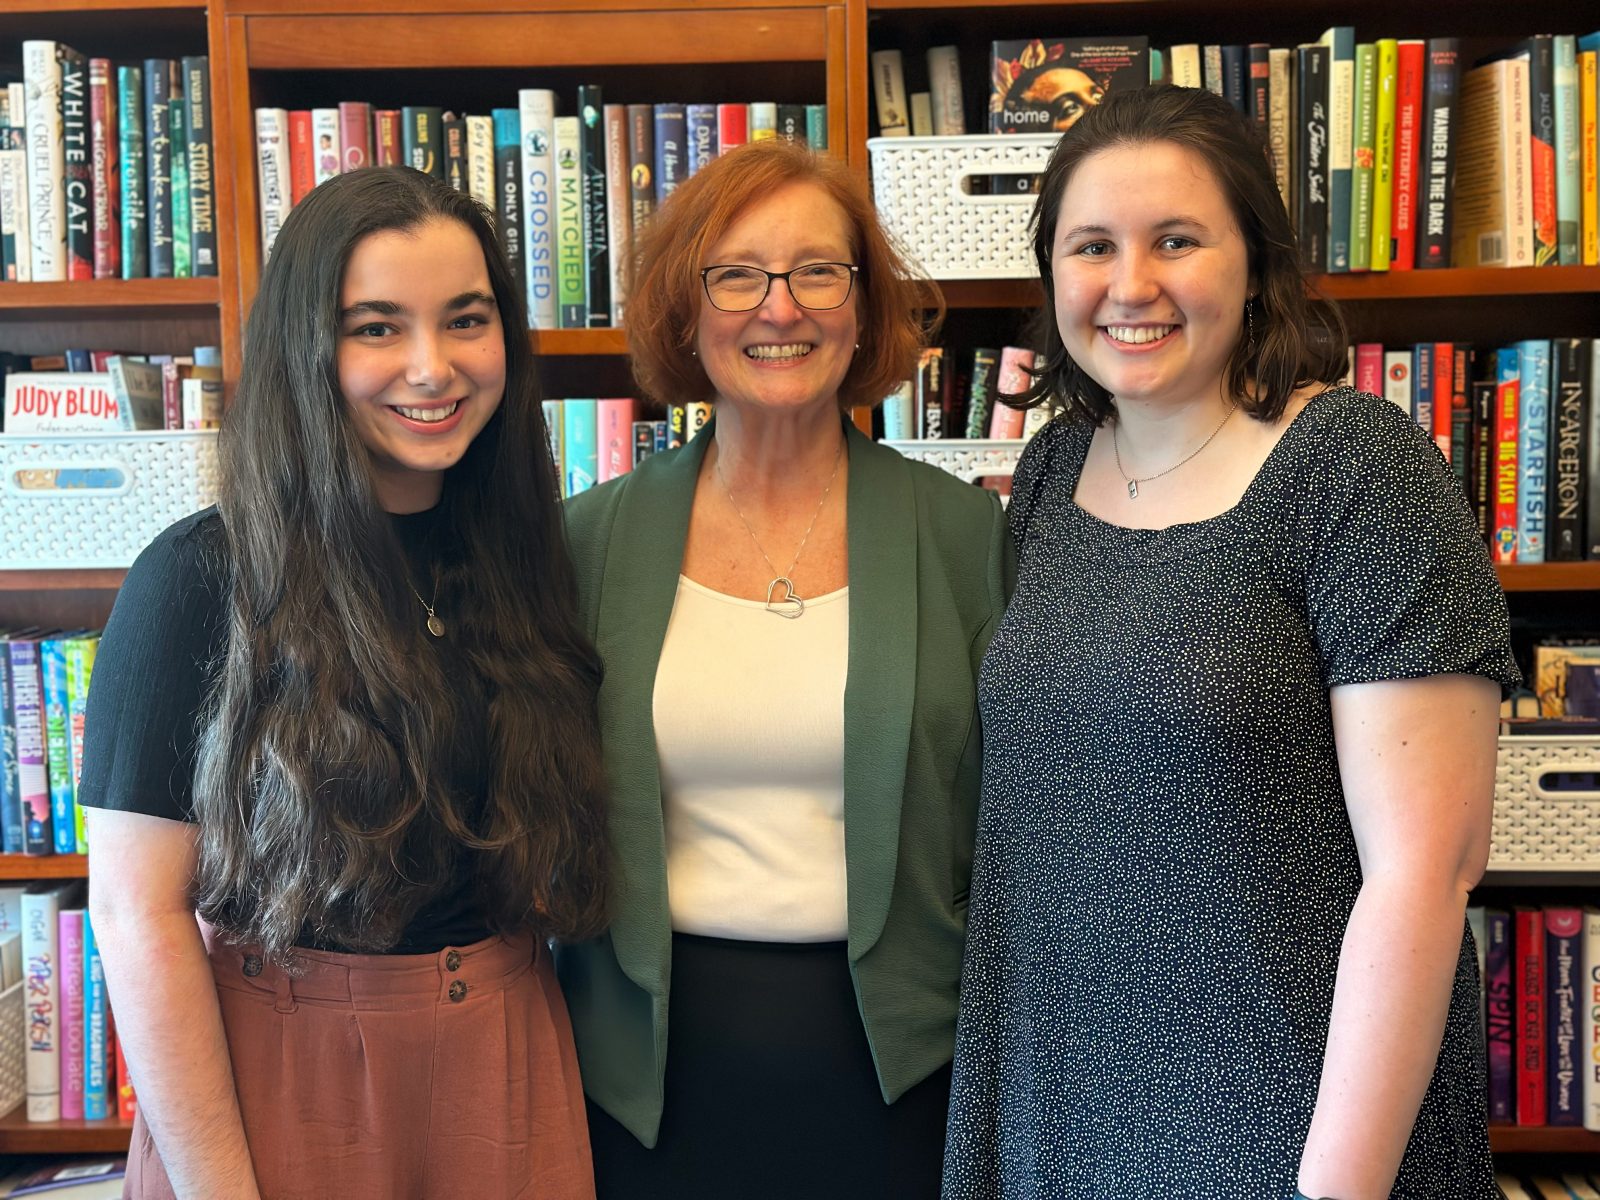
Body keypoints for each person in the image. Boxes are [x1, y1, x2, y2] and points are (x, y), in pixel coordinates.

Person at [942, 86, 1517, 1200]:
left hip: (1292, 1127)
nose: (1130, 285)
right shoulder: (1055, 472)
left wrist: (1332, 1190)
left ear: (1253, 262)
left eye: (1176, 241)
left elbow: (1424, 873)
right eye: (1091, 246)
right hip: (1062, 1108)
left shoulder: (1353, 465)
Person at [79, 167, 608, 1200]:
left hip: (508, 1062)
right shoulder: (199, 576)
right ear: (306, 350)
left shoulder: (526, 560)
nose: (431, 366)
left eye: (466, 319)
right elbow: (136, 914)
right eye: (376, 327)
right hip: (283, 1083)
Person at [558, 138, 1012, 1199]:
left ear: (862, 309)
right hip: (644, 1084)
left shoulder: (963, 539)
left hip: (902, 1077)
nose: (781, 308)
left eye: (819, 271)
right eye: (737, 275)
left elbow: (1014, 831)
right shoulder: (586, 543)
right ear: (685, 310)